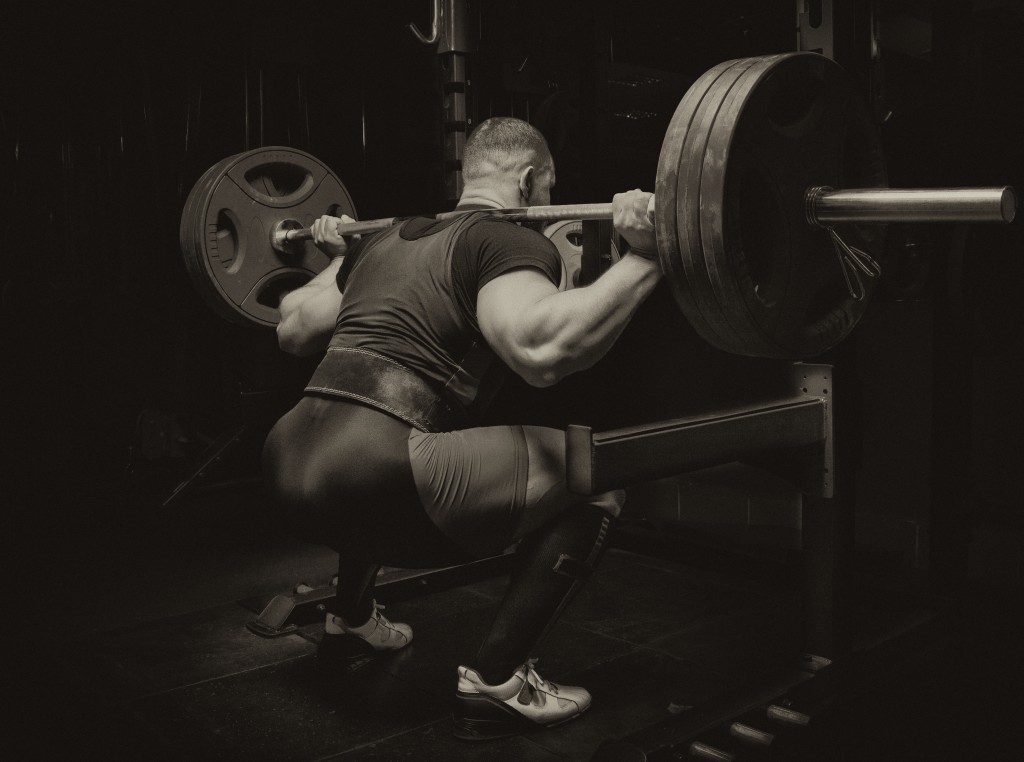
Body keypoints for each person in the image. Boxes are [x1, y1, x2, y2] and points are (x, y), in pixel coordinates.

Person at [262, 116, 661, 741]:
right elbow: (540, 348)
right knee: (598, 473)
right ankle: (500, 681)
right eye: (550, 190)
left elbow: (291, 330)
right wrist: (646, 258)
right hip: (378, 473)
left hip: (287, 463)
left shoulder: (388, 239)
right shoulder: (505, 240)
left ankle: (351, 619)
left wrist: (337, 260)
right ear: (529, 182)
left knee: (379, 445)